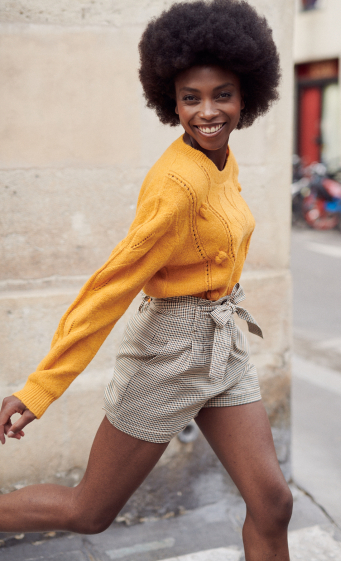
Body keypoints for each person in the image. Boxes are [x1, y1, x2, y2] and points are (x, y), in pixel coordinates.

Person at [0, 0, 293, 559]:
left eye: (222, 94)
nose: (208, 112)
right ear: (171, 101)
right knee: (89, 512)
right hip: (167, 352)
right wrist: (40, 389)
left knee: (273, 503)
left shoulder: (220, 159)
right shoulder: (175, 185)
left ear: (246, 94)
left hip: (221, 342)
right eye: (191, 98)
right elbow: (109, 288)